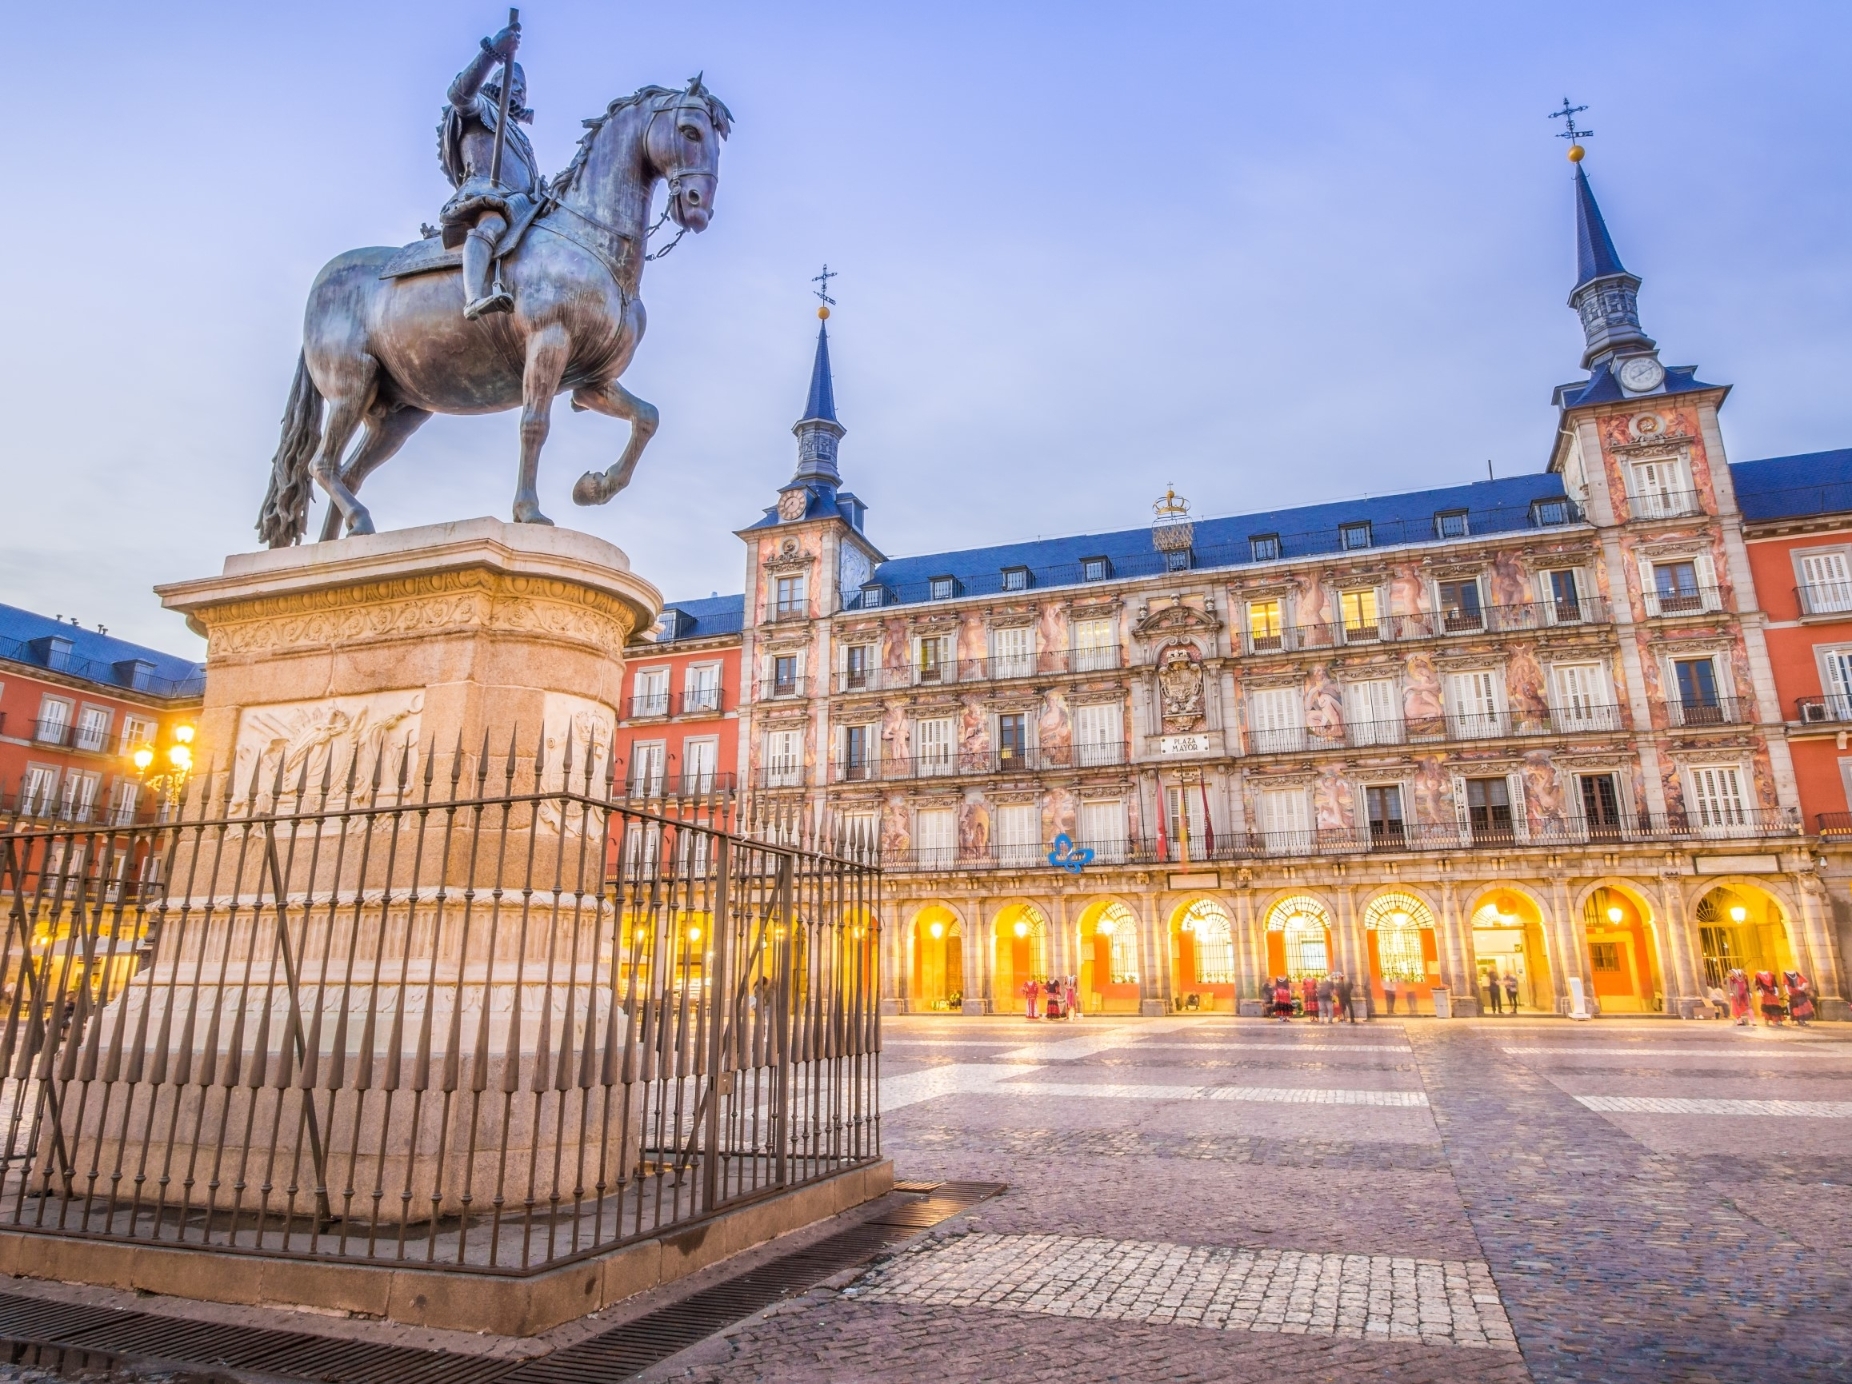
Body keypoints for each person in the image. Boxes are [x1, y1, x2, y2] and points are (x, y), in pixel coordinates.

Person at [439, 20, 541, 320]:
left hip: (521, 206)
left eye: (523, 89)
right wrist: (493, 52)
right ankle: (473, 298)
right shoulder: (481, 107)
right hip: (488, 194)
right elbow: (458, 96)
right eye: (515, 83)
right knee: (491, 224)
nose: (519, 91)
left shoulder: (518, 134)